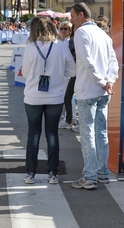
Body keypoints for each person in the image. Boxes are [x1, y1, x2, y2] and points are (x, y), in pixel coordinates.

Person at [70, 2, 119, 189]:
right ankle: (102, 173)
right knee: (101, 133)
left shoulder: (81, 33)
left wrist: (102, 81)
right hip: (103, 90)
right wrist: (109, 81)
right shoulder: (103, 34)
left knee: (88, 134)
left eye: (73, 16)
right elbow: (113, 61)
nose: (72, 20)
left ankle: (89, 176)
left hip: (88, 90)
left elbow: (87, 61)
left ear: (82, 15)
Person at [21, 17, 76, 185]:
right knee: (52, 135)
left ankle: (31, 173)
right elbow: (72, 70)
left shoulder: (31, 47)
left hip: (33, 96)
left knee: (33, 134)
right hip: (55, 96)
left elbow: (25, 72)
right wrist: (59, 76)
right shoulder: (61, 45)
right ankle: (53, 173)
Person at [57, 21, 79, 132]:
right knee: (68, 96)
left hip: (71, 72)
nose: (63, 30)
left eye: (66, 28)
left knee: (68, 96)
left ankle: (70, 119)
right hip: (68, 72)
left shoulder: (69, 42)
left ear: (70, 31)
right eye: (61, 28)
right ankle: (70, 118)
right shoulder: (63, 42)